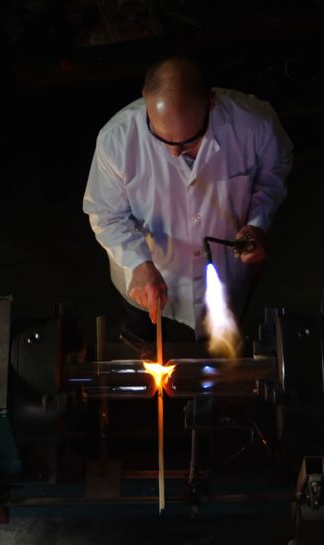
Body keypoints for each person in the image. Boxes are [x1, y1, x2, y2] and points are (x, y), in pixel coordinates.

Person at [82, 57, 292, 341]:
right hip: (148, 283)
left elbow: (272, 179)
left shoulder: (255, 126)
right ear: (145, 97)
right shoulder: (116, 141)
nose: (174, 153)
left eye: (189, 142)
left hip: (226, 279)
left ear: (211, 103)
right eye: (162, 139)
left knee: (222, 358)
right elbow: (106, 214)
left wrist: (257, 223)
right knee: (145, 348)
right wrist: (136, 263)